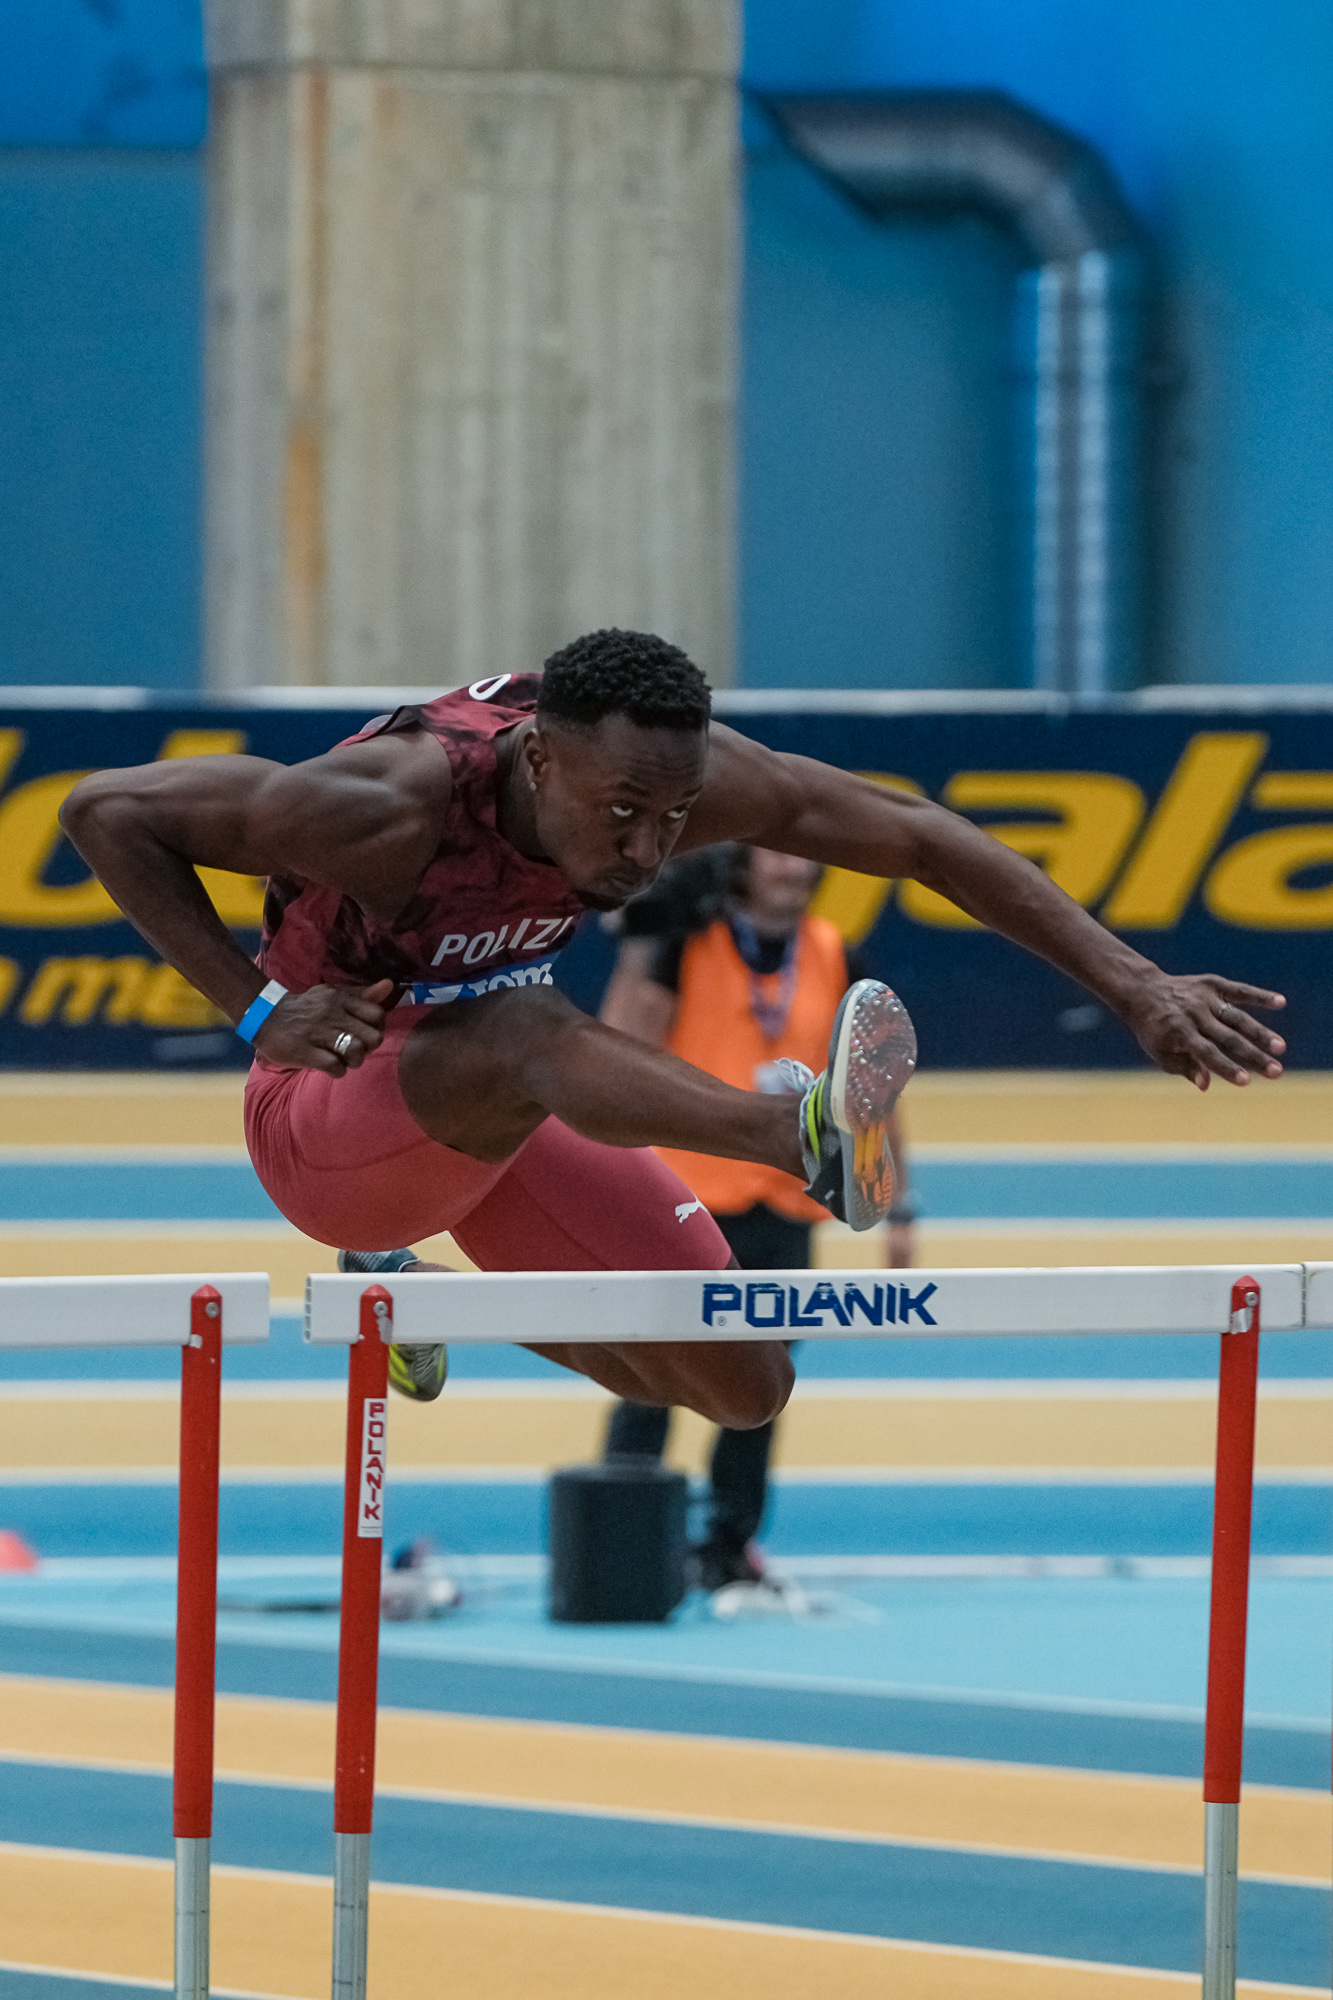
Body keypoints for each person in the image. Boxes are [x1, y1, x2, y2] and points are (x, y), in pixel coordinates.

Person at [60, 629, 1286, 1429]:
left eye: (675, 814)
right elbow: (107, 809)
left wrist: (1136, 985)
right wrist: (259, 1009)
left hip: (492, 1112)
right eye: (623, 814)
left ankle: (406, 1295)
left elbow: (919, 835)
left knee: (743, 1380)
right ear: (538, 761)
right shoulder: (383, 804)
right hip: (328, 1121)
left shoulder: (672, 779)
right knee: (525, 1022)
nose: (650, 849)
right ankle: (794, 1133)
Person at [599, 842, 915, 1591]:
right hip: (685, 1200)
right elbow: (619, 1049)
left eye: (803, 858)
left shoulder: (836, 953)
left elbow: (872, 1090)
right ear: (739, 866)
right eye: (775, 856)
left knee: (758, 1388)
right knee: (650, 1375)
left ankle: (730, 1544)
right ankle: (621, 1543)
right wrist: (643, 942)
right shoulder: (685, 941)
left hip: (785, 1202)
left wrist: (899, 1204)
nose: (793, 869)